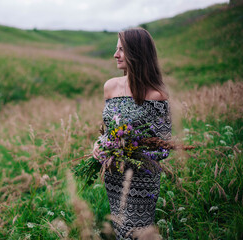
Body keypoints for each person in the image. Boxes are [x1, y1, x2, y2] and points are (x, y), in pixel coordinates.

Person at [93, 28, 172, 239]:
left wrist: (128, 152)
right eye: (116, 49)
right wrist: (101, 144)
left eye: (121, 50)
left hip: (142, 178)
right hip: (114, 175)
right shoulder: (110, 87)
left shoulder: (156, 95)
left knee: (136, 233)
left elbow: (164, 145)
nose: (115, 54)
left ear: (137, 53)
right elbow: (110, 129)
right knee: (120, 230)